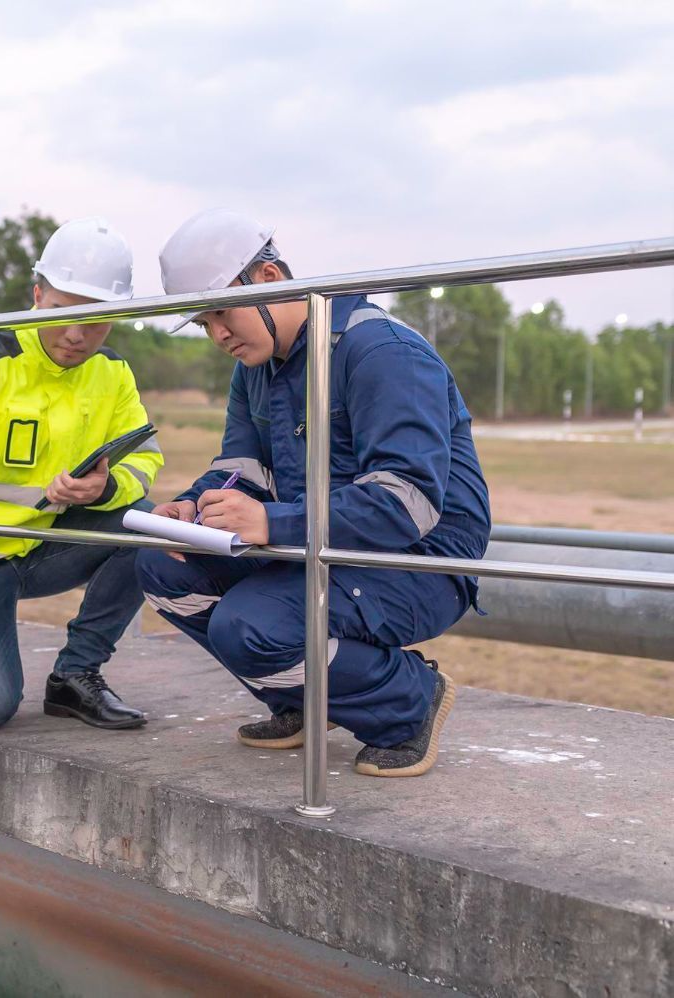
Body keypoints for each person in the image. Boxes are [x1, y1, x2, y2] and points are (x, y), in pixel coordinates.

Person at [136, 208, 490, 777]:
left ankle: (408, 702)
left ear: (271, 280)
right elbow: (239, 469)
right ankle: (301, 700)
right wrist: (193, 508)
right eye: (203, 323)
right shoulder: (256, 365)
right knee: (164, 569)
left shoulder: (382, 351)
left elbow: (410, 501)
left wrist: (272, 525)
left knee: (249, 626)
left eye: (222, 312)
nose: (217, 334)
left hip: (419, 564)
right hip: (321, 546)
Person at [0, 217, 163, 730]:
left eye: (96, 319)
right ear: (37, 292)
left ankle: (76, 675)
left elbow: (146, 459)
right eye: (63, 311)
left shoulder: (113, 373)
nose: (76, 334)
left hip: (49, 545)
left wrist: (105, 487)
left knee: (147, 525)